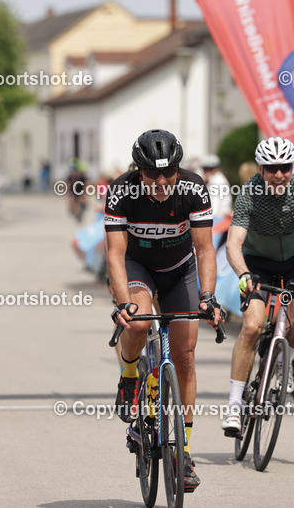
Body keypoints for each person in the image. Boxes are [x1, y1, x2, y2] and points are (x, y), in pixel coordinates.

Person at [108, 129, 223, 493]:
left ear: (178, 168)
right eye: (151, 175)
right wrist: (123, 301)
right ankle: (129, 374)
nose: (160, 182)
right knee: (139, 324)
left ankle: (183, 452)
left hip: (180, 271)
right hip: (138, 267)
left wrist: (207, 297)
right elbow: (114, 254)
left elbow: (205, 250)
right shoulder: (122, 190)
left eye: (167, 172)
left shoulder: (193, 188)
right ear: (137, 171)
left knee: (185, 356)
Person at [220, 137, 294, 434]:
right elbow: (233, 243)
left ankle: (286, 360)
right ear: (261, 168)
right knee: (252, 326)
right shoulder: (249, 193)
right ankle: (234, 405)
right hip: (257, 263)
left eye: (284, 167)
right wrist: (244, 274)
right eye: (272, 168)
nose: (279, 174)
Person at [200, 154, 232, 220]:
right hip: (219, 217)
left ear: (216, 168)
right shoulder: (214, 179)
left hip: (219, 218)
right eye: (205, 169)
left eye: (210, 169)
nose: (207, 172)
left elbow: (214, 207)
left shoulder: (217, 181)